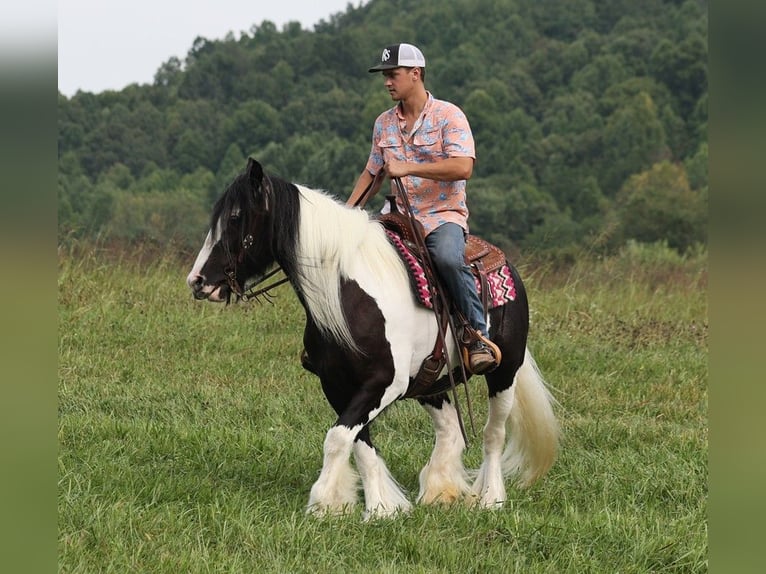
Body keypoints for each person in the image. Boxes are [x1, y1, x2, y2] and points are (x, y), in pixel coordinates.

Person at [347, 43, 501, 375]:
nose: (387, 82)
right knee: (357, 255)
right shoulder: (383, 124)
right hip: (400, 217)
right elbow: (372, 173)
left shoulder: (449, 115)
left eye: (393, 75)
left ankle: (476, 333)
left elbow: (463, 167)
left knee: (446, 258)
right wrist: (346, 214)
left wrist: (409, 168)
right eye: (385, 77)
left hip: (442, 216)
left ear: (415, 74)